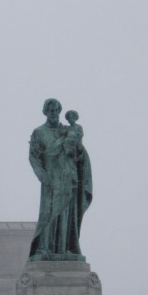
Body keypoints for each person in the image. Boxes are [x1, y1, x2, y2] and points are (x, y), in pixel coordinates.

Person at [28, 99, 92, 260]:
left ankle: (64, 249)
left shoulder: (67, 131)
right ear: (45, 112)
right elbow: (34, 157)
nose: (54, 113)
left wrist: (78, 147)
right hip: (50, 178)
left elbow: (79, 155)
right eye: (51, 110)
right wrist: (42, 175)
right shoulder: (39, 132)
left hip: (68, 177)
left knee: (66, 215)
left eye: (57, 110)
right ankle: (44, 249)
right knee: (48, 214)